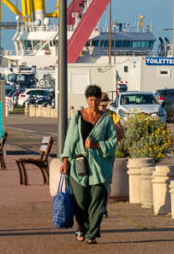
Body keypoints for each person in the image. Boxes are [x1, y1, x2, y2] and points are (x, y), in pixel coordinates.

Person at [59, 85, 118, 245]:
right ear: (87, 99)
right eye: (91, 100)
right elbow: (70, 141)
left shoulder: (105, 119)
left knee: (97, 200)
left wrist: (97, 145)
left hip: (99, 167)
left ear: (100, 100)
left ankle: (92, 233)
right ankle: (80, 228)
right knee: (80, 201)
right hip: (79, 165)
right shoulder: (78, 117)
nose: (94, 103)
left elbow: (113, 142)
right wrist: (65, 161)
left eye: (96, 100)